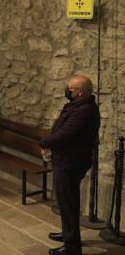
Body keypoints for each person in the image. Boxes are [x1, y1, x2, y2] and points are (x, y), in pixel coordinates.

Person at [39, 75, 100, 255]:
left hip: (71, 162)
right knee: (66, 201)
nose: (67, 91)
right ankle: (68, 235)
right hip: (66, 160)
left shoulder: (85, 110)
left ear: (80, 92)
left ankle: (72, 247)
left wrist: (44, 142)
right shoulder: (77, 105)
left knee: (68, 203)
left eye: (70, 89)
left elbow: (66, 134)